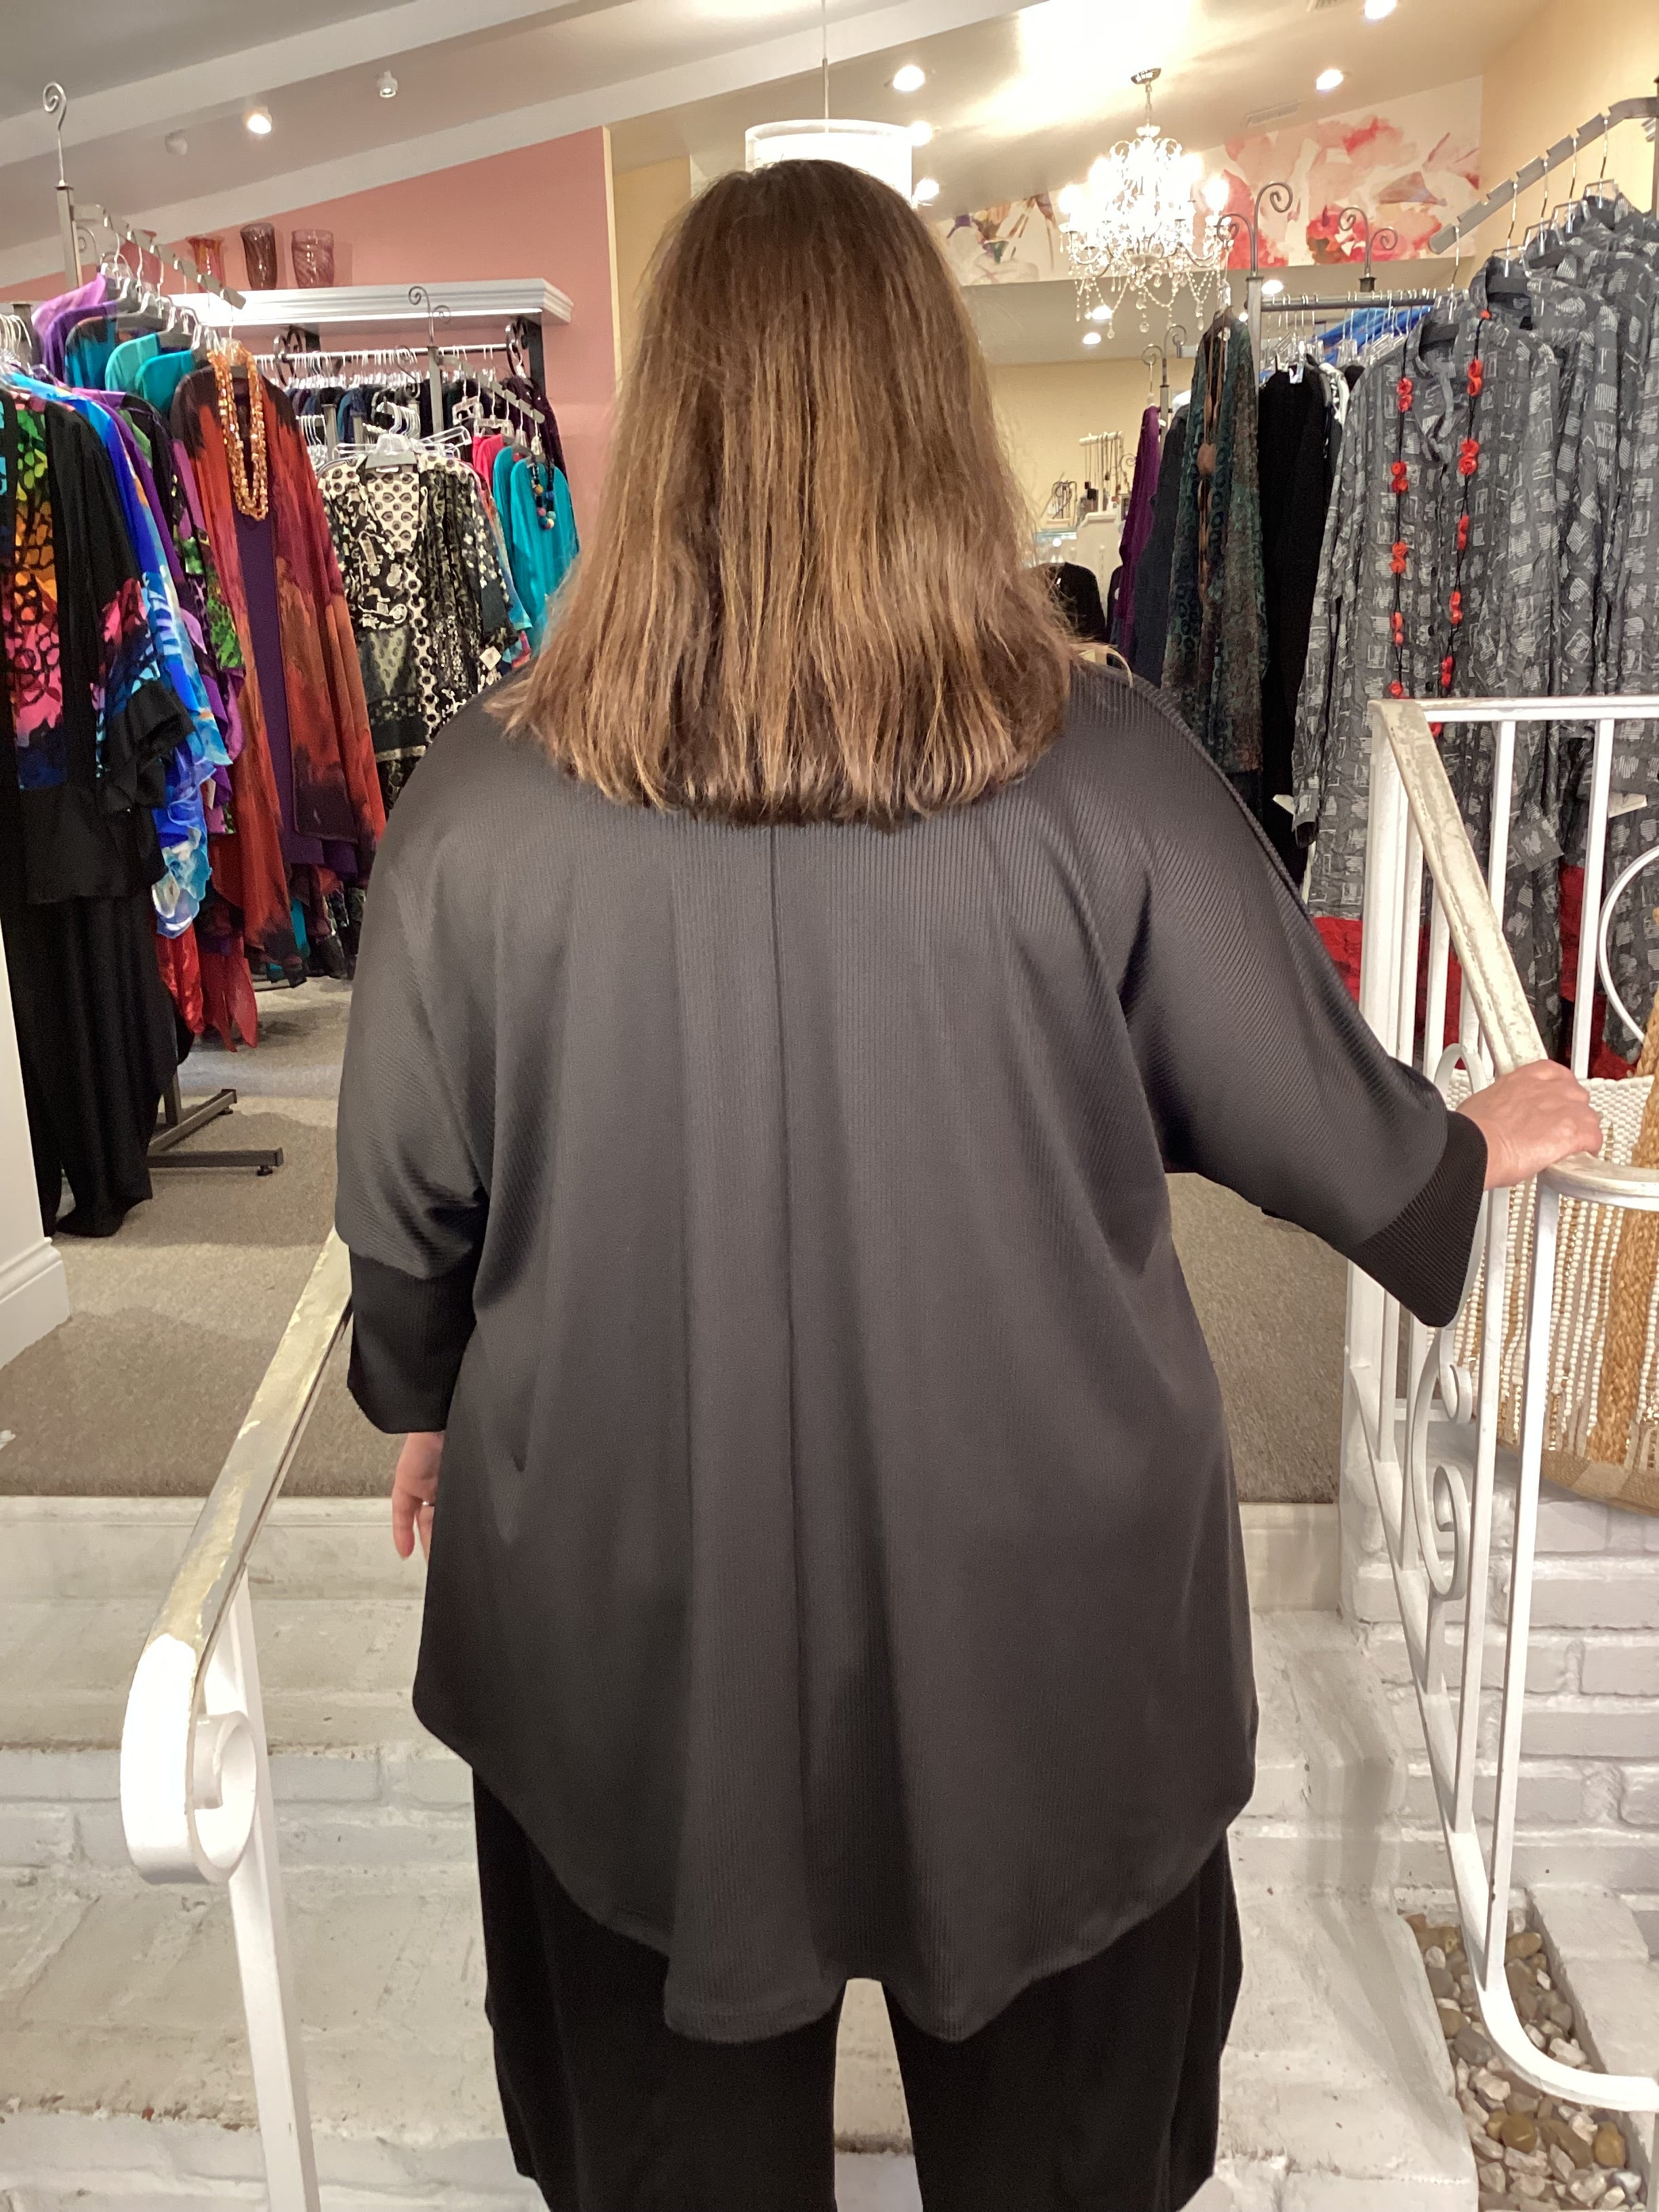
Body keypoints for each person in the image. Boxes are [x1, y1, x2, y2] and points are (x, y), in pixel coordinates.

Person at [334, 159, 1601, 2212]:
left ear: (669, 424)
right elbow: (1306, 1109)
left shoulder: (477, 802)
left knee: (664, 2152)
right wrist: (1462, 1145)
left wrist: (425, 1396)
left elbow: (406, 1200)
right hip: (1048, 1607)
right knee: (1068, 2160)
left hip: (629, 1600)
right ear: (934, 406)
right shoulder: (1108, 769)